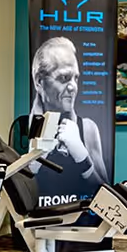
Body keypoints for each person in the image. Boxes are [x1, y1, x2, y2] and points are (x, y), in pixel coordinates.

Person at [28, 37, 109, 200]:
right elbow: (15, 193)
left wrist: (83, 158)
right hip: (39, 223)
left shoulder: (87, 129)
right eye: (64, 78)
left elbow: (106, 194)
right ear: (39, 82)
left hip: (81, 224)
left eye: (75, 78)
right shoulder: (22, 128)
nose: (73, 87)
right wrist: (35, 161)